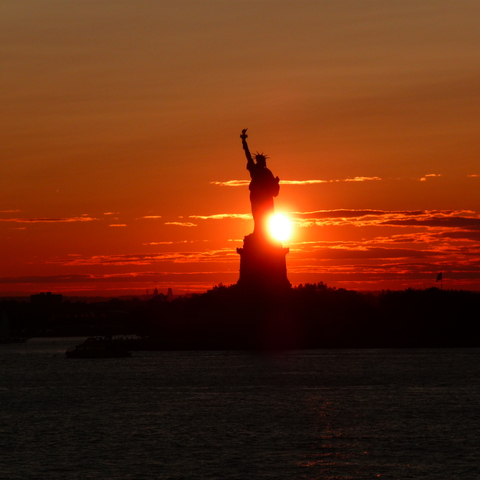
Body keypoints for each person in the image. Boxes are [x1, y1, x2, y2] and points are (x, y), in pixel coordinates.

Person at [240, 129, 280, 237]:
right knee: (257, 215)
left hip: (265, 198)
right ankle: (258, 233)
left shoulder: (267, 172)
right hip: (258, 196)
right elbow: (247, 154)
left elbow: (274, 190)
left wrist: (276, 183)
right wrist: (244, 142)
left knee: (265, 215)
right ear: (260, 161)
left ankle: (265, 234)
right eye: (263, 161)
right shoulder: (255, 169)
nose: (264, 163)